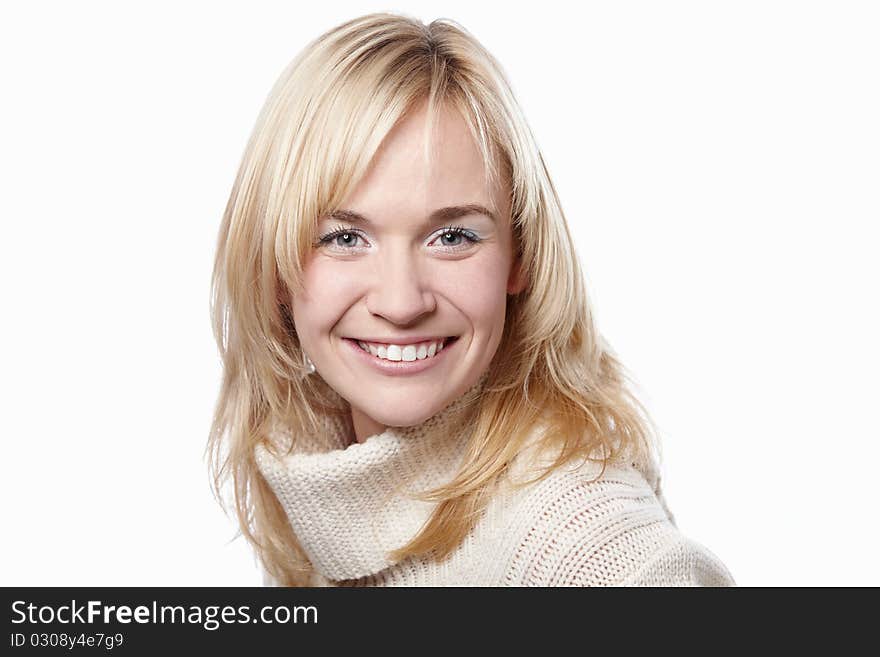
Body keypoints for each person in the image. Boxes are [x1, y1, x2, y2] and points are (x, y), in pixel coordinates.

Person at [208, 11, 735, 587]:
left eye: (452, 237)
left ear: (521, 257)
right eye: (344, 238)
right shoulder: (320, 490)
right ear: (275, 270)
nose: (402, 301)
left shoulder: (585, 543)